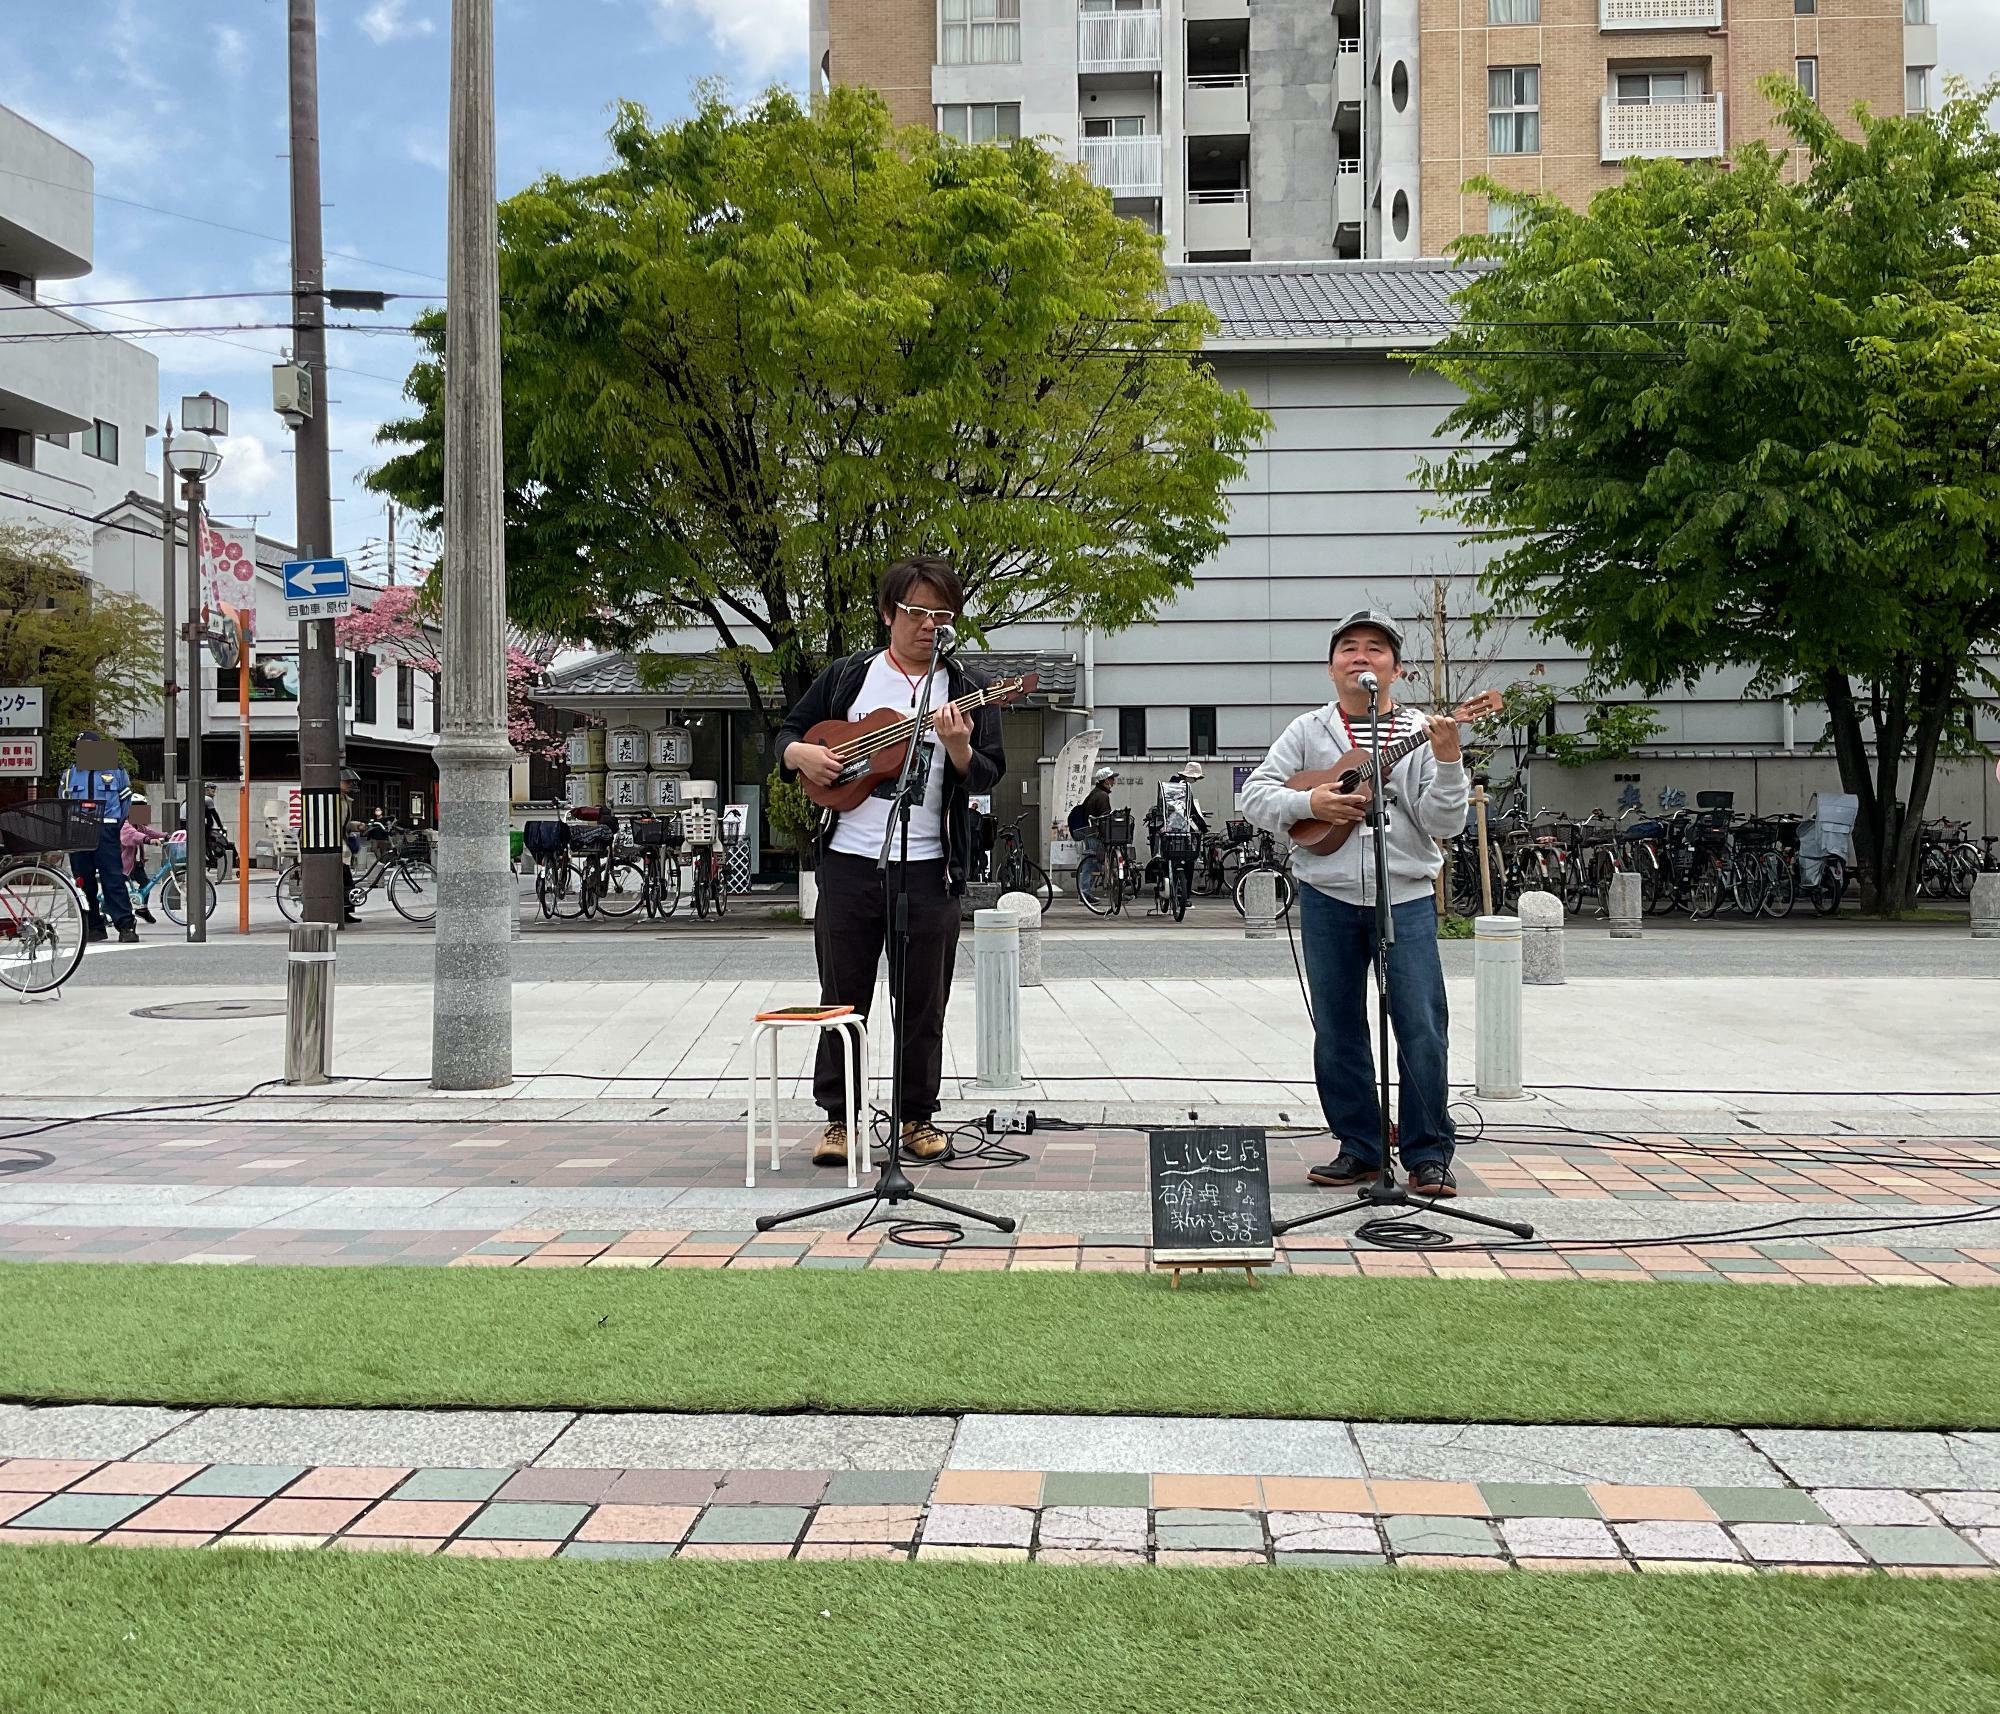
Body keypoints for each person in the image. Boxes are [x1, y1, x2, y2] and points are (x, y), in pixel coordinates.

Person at [777, 556, 1007, 1168]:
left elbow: (989, 772)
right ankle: (838, 1120)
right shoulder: (848, 677)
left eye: (941, 614)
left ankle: (916, 1115)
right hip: (850, 863)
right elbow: (790, 734)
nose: (929, 625)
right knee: (841, 997)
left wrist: (959, 749)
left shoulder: (964, 689)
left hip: (931, 868)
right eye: (917, 612)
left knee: (923, 999)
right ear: (888, 614)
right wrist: (803, 755)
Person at [1239, 609, 1470, 1198]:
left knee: (1419, 1025)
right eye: (1348, 648)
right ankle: (1360, 1146)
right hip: (1327, 895)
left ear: (1396, 667)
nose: (1360, 657)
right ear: (1331, 665)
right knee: (1339, 1027)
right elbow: (1255, 798)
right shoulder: (1308, 731)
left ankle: (1426, 1152)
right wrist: (1311, 803)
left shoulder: (1419, 732)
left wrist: (1448, 762)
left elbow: (1445, 822)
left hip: (1408, 896)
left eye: (1375, 648)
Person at [58, 731, 138, 943]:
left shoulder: (116, 771)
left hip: (106, 829)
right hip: (78, 829)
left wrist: (114, 824)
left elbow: (125, 800)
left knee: (113, 878)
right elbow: (63, 800)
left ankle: (126, 925)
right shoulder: (69, 774)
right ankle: (94, 926)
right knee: (83, 881)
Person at [119, 798, 169, 924]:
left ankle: (142, 909)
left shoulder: (138, 825)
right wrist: (149, 840)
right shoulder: (125, 825)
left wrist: (167, 836)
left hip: (136, 863)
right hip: (124, 864)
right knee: (119, 888)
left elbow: (151, 832)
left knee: (145, 884)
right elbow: (133, 835)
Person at [1067, 766, 1118, 838]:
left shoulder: (1095, 793)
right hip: (1095, 836)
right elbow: (1105, 819)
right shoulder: (1102, 796)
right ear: (1106, 781)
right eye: (1112, 779)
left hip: (1088, 834)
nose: (1114, 782)